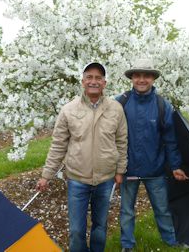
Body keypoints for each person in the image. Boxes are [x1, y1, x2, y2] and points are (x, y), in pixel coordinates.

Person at [36, 62, 128, 252]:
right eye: (89, 77)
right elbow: (58, 145)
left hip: (105, 179)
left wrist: (120, 171)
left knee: (100, 227)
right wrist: (46, 175)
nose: (93, 81)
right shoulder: (68, 110)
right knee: (76, 230)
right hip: (78, 179)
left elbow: (121, 142)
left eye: (98, 78)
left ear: (104, 83)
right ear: (83, 81)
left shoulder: (116, 109)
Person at [117, 58, 189, 251]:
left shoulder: (162, 105)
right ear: (132, 78)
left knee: (162, 209)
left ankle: (171, 240)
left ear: (153, 79)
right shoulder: (120, 103)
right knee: (126, 211)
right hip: (127, 169)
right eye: (138, 75)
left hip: (154, 168)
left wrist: (175, 166)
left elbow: (171, 140)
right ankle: (127, 245)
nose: (142, 79)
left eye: (146, 75)